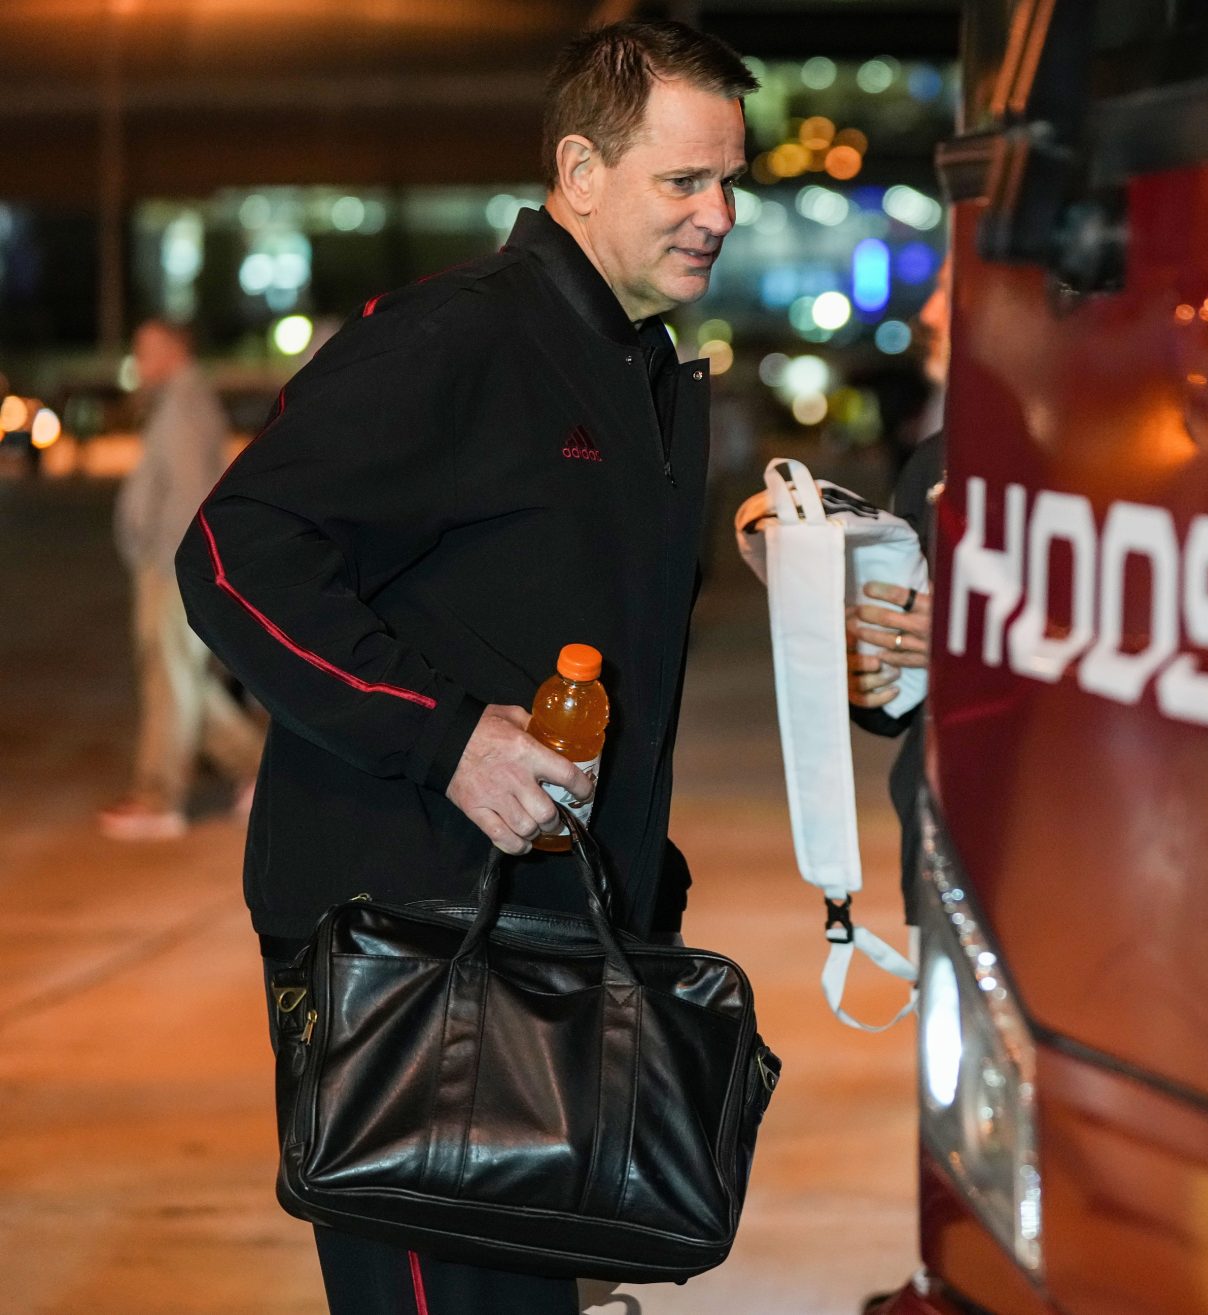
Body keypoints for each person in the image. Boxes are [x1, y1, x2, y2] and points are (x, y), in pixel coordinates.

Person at [174, 21, 755, 1314]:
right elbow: (231, 551)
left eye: (731, 180)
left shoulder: (642, 373)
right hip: (415, 958)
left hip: (552, 959)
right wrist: (448, 739)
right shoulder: (459, 340)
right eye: (684, 179)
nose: (720, 213)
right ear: (581, 169)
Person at [99, 320, 264, 841]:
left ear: (172, 352)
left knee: (170, 681)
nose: (138, 363)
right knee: (187, 682)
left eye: (145, 351)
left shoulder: (185, 405)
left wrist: (171, 563)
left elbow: (192, 495)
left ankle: (158, 798)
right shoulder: (177, 400)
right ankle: (263, 772)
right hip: (165, 563)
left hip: (171, 566)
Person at [847, 257, 950, 909]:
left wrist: (970, 641)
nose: (930, 314)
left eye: (952, 289)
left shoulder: (1129, 462)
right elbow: (892, 711)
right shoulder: (936, 461)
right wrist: (866, 663)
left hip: (1061, 859)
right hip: (936, 849)